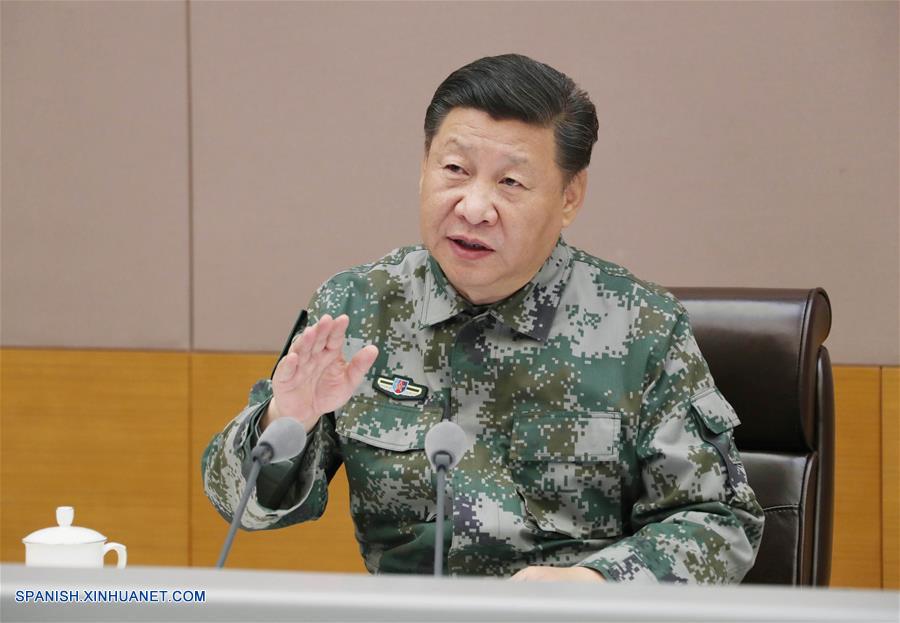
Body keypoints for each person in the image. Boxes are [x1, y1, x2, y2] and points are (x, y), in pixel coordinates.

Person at [202, 53, 764, 583]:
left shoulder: (641, 326)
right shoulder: (358, 306)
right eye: (455, 169)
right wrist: (286, 420)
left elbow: (720, 522)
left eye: (510, 182)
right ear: (423, 169)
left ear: (570, 197)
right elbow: (241, 506)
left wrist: (596, 583)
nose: (473, 207)